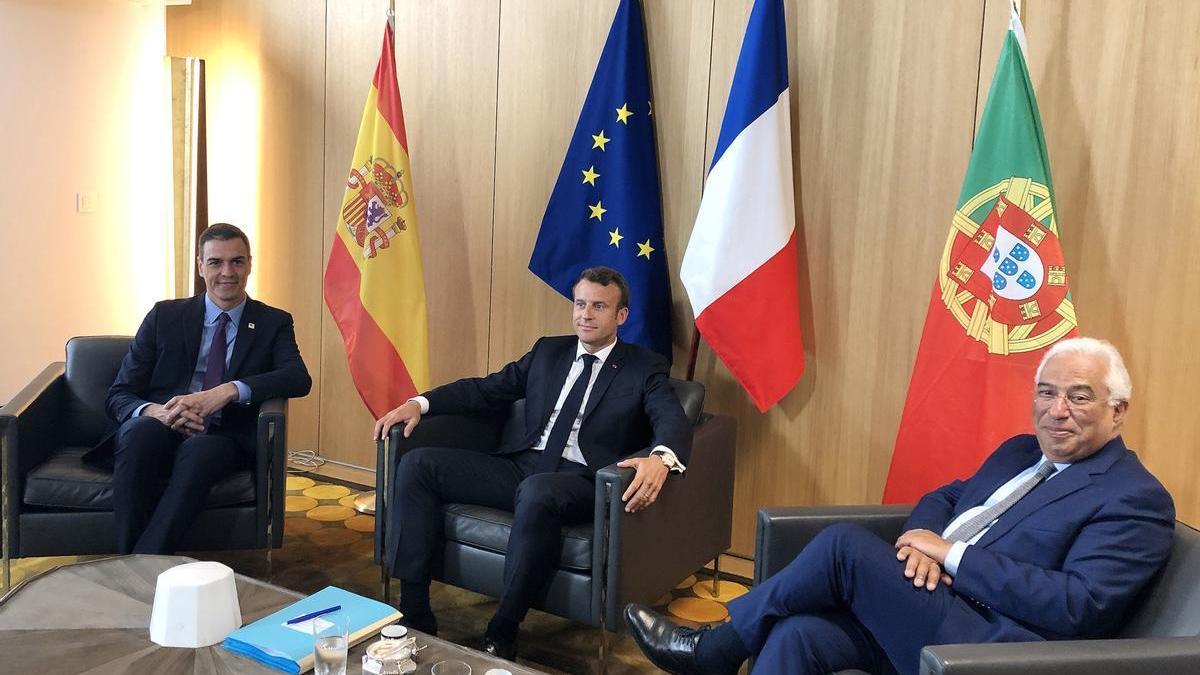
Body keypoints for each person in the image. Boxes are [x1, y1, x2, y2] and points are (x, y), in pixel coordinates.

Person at [625, 337, 1174, 675]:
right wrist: (921, 547)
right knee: (798, 636)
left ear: (1118, 411)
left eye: (1078, 396)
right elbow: (947, 498)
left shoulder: (1134, 497)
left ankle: (717, 649)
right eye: (1046, 392)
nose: (1056, 410)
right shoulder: (1020, 452)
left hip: (998, 646)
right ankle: (721, 651)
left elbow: (1078, 606)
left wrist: (953, 555)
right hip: (931, 608)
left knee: (843, 546)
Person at [374, 266, 692, 660]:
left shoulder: (644, 366)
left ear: (620, 316)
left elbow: (671, 419)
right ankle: (416, 610)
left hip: (584, 478)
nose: (585, 315)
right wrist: (420, 403)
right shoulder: (549, 351)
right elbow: (488, 389)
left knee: (538, 491)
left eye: (598, 306)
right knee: (419, 464)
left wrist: (660, 458)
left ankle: (503, 628)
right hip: (523, 466)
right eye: (579, 304)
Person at [89, 223, 312, 554]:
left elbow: (298, 378)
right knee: (138, 433)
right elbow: (119, 394)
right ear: (199, 265)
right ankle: (134, 559)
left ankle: (138, 566)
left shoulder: (272, 322)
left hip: (224, 437)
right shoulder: (164, 316)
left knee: (200, 451)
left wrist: (227, 391)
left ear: (250, 264)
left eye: (237, 262)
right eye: (215, 262)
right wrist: (158, 413)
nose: (227, 272)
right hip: (161, 429)